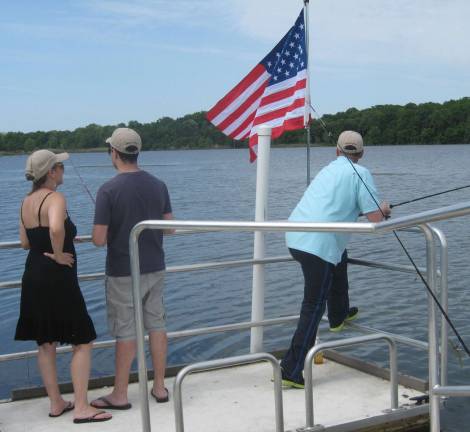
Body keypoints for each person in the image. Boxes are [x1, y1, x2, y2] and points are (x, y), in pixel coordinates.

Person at [281, 130, 391, 388]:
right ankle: (291, 370)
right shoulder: (360, 174)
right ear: (361, 154)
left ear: (337, 151)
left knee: (340, 257)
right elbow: (376, 219)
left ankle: (339, 314)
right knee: (313, 306)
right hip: (317, 246)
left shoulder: (328, 169)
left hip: (296, 238)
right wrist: (384, 210)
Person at [15, 149, 112, 424]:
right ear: (51, 172)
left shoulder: (26, 201)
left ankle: (56, 402)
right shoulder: (55, 197)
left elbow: (25, 242)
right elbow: (56, 228)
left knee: (45, 342)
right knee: (82, 339)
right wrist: (59, 253)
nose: (63, 170)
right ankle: (81, 407)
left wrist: (61, 242)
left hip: (32, 274)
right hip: (57, 276)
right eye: (60, 166)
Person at [91, 128, 173, 410]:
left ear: (114, 153)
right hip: (156, 267)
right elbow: (170, 227)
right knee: (157, 326)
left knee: (125, 331)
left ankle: (120, 394)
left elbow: (99, 240)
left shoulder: (108, 190)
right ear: (136, 152)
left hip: (123, 271)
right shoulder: (158, 184)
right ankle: (160, 387)